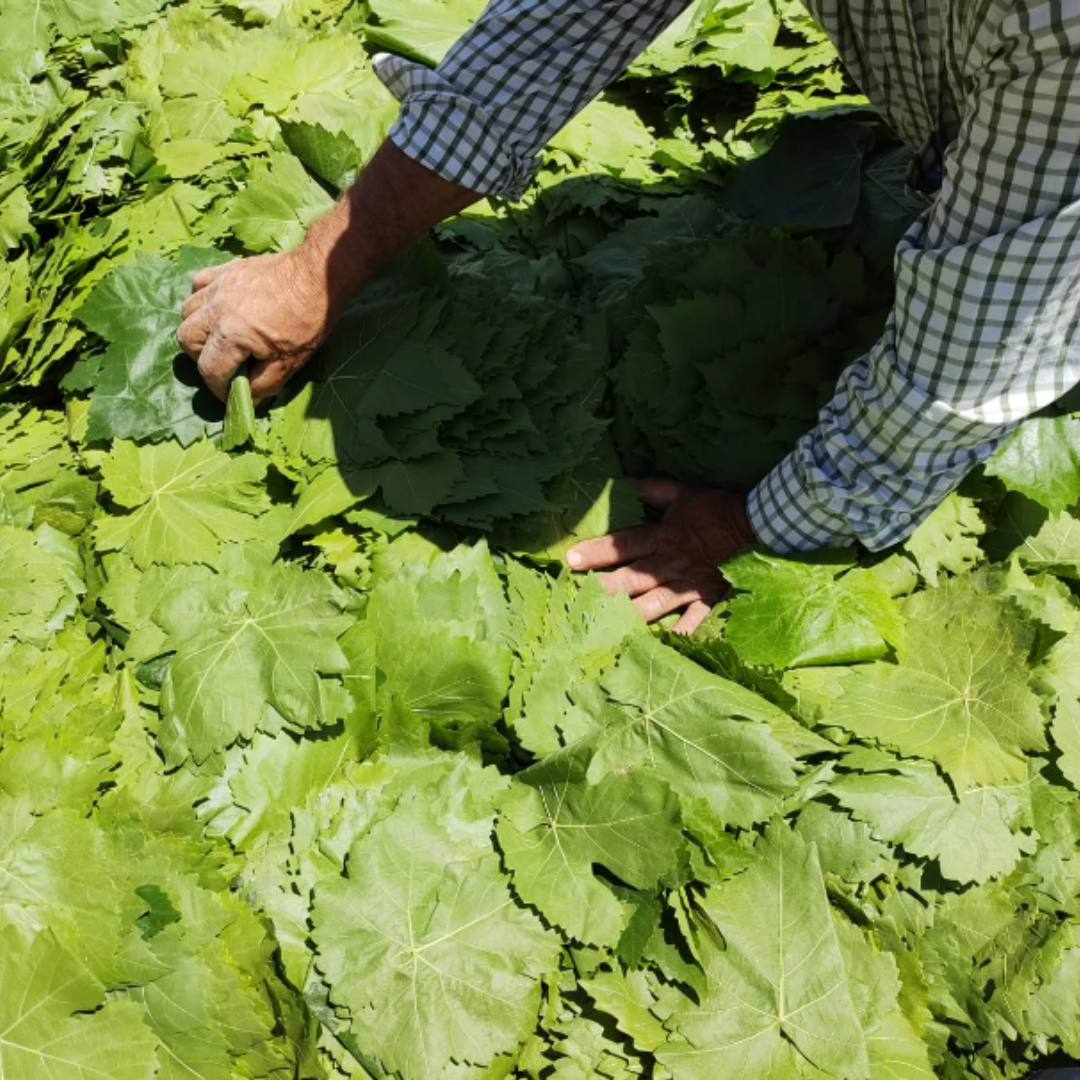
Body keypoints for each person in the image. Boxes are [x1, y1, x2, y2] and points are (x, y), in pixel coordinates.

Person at [178, 0, 1080, 635]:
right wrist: (321, 266)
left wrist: (751, 524)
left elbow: (964, 368)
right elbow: (563, 21)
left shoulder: (1058, 32)